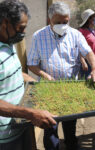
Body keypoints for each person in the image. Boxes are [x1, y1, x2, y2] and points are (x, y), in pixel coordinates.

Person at [27, 2, 95, 150]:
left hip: (71, 90)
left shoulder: (75, 35)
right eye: (58, 22)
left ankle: (71, 145)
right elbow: (32, 64)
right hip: (48, 90)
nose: (62, 25)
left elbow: (88, 52)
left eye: (66, 22)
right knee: (50, 129)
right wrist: (45, 76)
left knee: (70, 127)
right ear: (50, 20)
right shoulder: (38, 36)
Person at [0, 0, 56, 149]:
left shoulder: (8, 44)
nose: (24, 33)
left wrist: (38, 85)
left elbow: (15, 74)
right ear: (5, 23)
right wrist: (29, 114)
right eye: (21, 28)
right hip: (5, 137)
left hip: (20, 123)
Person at [79, 9, 95, 79]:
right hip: (87, 62)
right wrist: (83, 62)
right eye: (93, 16)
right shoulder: (82, 32)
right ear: (88, 19)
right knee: (87, 81)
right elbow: (78, 48)